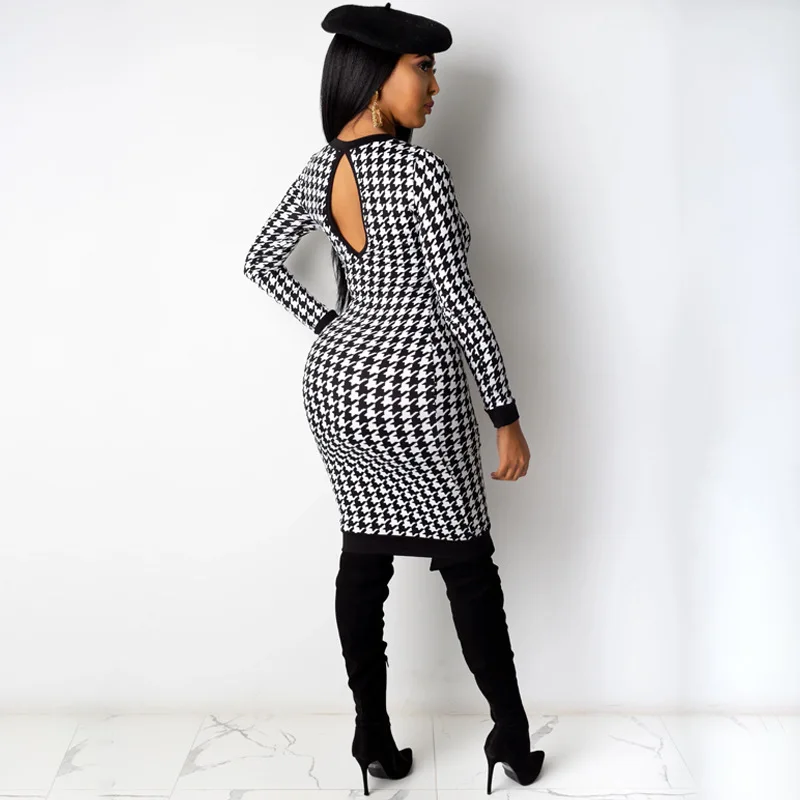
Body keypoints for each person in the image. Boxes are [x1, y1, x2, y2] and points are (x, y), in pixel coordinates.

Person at [243, 2, 545, 794]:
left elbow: (261, 260)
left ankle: (371, 736)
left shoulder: (322, 170)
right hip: (418, 390)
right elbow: (457, 302)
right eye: (423, 69)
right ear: (377, 77)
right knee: (468, 565)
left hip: (337, 389)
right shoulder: (418, 173)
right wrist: (505, 416)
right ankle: (510, 737)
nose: (435, 87)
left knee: (364, 554)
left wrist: (333, 326)